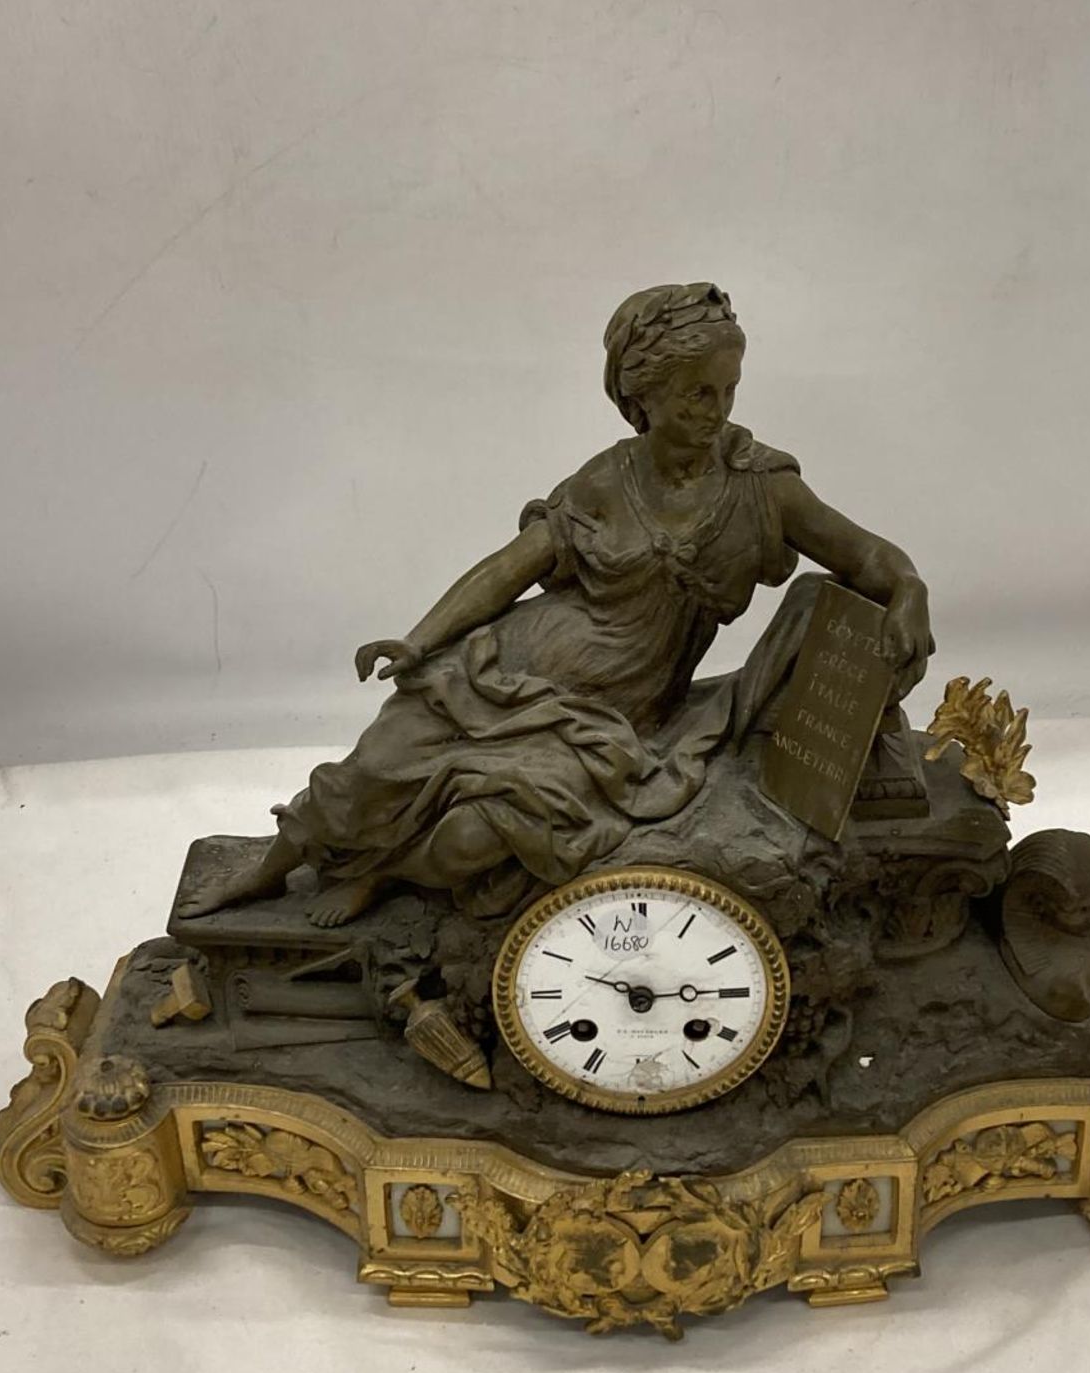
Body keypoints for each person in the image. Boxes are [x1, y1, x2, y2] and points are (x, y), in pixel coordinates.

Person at [178, 283, 932, 926]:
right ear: (644, 396)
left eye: (730, 389)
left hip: (614, 713)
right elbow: (510, 569)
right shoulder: (608, 480)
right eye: (698, 392)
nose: (719, 410)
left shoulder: (761, 486)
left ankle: (387, 869)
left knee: (474, 836)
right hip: (518, 661)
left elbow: (868, 556)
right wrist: (418, 640)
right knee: (380, 759)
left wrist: (909, 592)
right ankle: (275, 864)